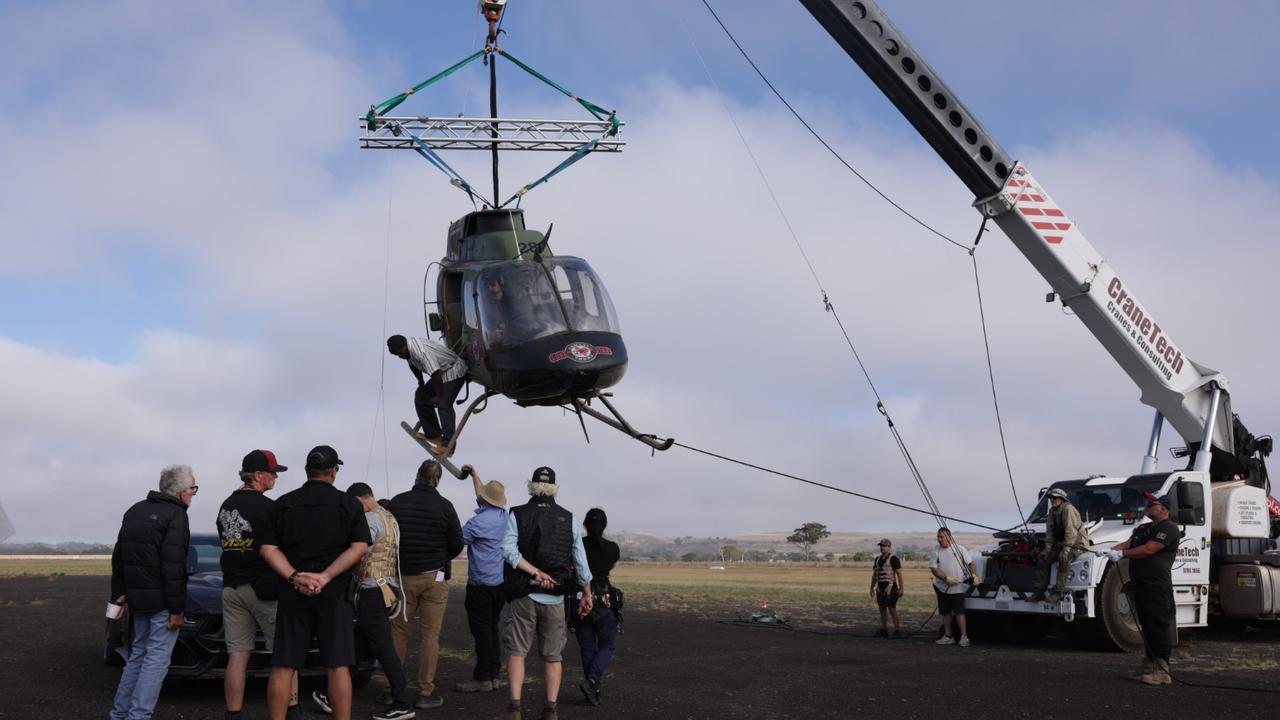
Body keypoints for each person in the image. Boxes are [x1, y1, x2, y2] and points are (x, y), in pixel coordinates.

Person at [259, 446, 371, 720]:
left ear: (308, 471)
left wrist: (295, 576)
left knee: (284, 665)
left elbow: (268, 549)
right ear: (333, 472)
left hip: (293, 593)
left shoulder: (283, 503)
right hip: (334, 595)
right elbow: (359, 548)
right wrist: (325, 577)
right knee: (337, 665)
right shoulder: (349, 504)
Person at [312, 483, 416, 720]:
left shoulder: (370, 520)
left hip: (371, 590)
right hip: (386, 587)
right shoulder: (389, 517)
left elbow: (358, 552)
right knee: (358, 643)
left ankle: (402, 701)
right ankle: (334, 694)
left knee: (382, 647)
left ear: (360, 500)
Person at [501, 466, 593, 720]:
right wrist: (586, 591)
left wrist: (534, 573)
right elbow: (581, 562)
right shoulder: (569, 518)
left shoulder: (517, 514)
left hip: (523, 594)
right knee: (553, 655)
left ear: (532, 486)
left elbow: (508, 551)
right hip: (556, 597)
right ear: (554, 488)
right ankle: (551, 709)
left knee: (517, 651)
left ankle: (515, 708)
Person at [217, 450, 304, 720]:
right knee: (285, 656)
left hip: (231, 588)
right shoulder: (269, 507)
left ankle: (234, 714)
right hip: (264, 589)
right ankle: (291, 710)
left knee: (238, 655)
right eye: (272, 472)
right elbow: (283, 546)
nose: (276, 477)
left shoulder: (225, 505)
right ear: (257, 476)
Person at [109, 464, 197, 720]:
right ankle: (138, 716)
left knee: (138, 656)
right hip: (162, 603)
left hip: (139, 600)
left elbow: (119, 557)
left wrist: (119, 592)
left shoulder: (134, 510)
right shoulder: (176, 515)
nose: (193, 493)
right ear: (180, 490)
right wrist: (177, 609)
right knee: (156, 661)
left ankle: (120, 715)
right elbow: (174, 566)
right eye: (193, 488)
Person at [388, 459, 464, 710]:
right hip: (435, 577)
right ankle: (424, 691)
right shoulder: (445, 506)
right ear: (438, 480)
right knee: (430, 636)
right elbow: (457, 543)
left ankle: (394, 689)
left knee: (399, 633)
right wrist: (439, 557)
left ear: (417, 475)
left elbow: (389, 538)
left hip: (402, 577)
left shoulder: (397, 502)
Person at [1105, 492, 1182, 685]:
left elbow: (1149, 549)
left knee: (1158, 625)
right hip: (1140, 584)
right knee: (1146, 625)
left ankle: (1163, 670)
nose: (1147, 505)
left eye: (1152, 503)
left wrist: (1122, 554)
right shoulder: (1144, 527)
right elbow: (1130, 543)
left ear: (1163, 508)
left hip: (1157, 585)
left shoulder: (1169, 528)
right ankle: (1149, 665)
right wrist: (1111, 550)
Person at [455, 465, 509, 694]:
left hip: (480, 586)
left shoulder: (476, 523)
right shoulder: (505, 517)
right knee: (491, 629)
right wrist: (475, 475)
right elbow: (483, 495)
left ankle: (483, 677)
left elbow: (457, 542)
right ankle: (495, 674)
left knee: (481, 633)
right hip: (500, 585)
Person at [386, 334, 469, 455]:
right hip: (442, 374)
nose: (399, 357)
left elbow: (435, 373)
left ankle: (448, 446)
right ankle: (434, 435)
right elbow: (413, 366)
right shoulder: (408, 351)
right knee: (420, 397)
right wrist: (421, 384)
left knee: (444, 405)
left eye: (399, 354)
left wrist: (439, 397)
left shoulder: (421, 352)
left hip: (454, 370)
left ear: (404, 346)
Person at [573, 508, 621, 707]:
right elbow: (609, 569)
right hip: (605, 601)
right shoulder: (613, 548)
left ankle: (593, 688)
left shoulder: (578, 545)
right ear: (605, 525)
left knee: (587, 647)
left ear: (585, 524)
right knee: (607, 645)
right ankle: (593, 682)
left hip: (580, 600)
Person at [1032, 488, 1088, 602]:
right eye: (1051, 498)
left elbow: (1071, 532)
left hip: (1077, 544)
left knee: (1064, 558)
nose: (1052, 500)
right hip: (1062, 544)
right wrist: (1047, 550)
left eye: (1055, 498)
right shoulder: (1052, 512)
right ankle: (1040, 591)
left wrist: (1066, 550)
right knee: (1042, 558)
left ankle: (1058, 592)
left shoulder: (1068, 509)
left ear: (1062, 499)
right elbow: (1049, 533)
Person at [929, 527, 977, 647]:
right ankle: (948, 636)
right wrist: (946, 578)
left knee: (959, 612)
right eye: (938, 537)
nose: (939, 539)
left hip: (958, 588)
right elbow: (934, 568)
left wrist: (974, 575)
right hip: (942, 588)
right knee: (945, 613)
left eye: (942, 537)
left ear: (949, 537)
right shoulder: (936, 550)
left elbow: (972, 563)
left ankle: (964, 637)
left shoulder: (959, 549)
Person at [869, 538, 904, 638]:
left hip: (891, 588)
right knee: (882, 610)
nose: (882, 548)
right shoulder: (877, 559)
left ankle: (897, 631)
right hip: (880, 589)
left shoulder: (894, 559)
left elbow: (899, 575)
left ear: (889, 547)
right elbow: (875, 575)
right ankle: (884, 630)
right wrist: (871, 588)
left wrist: (901, 589)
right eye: (881, 546)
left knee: (892, 610)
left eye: (884, 546)